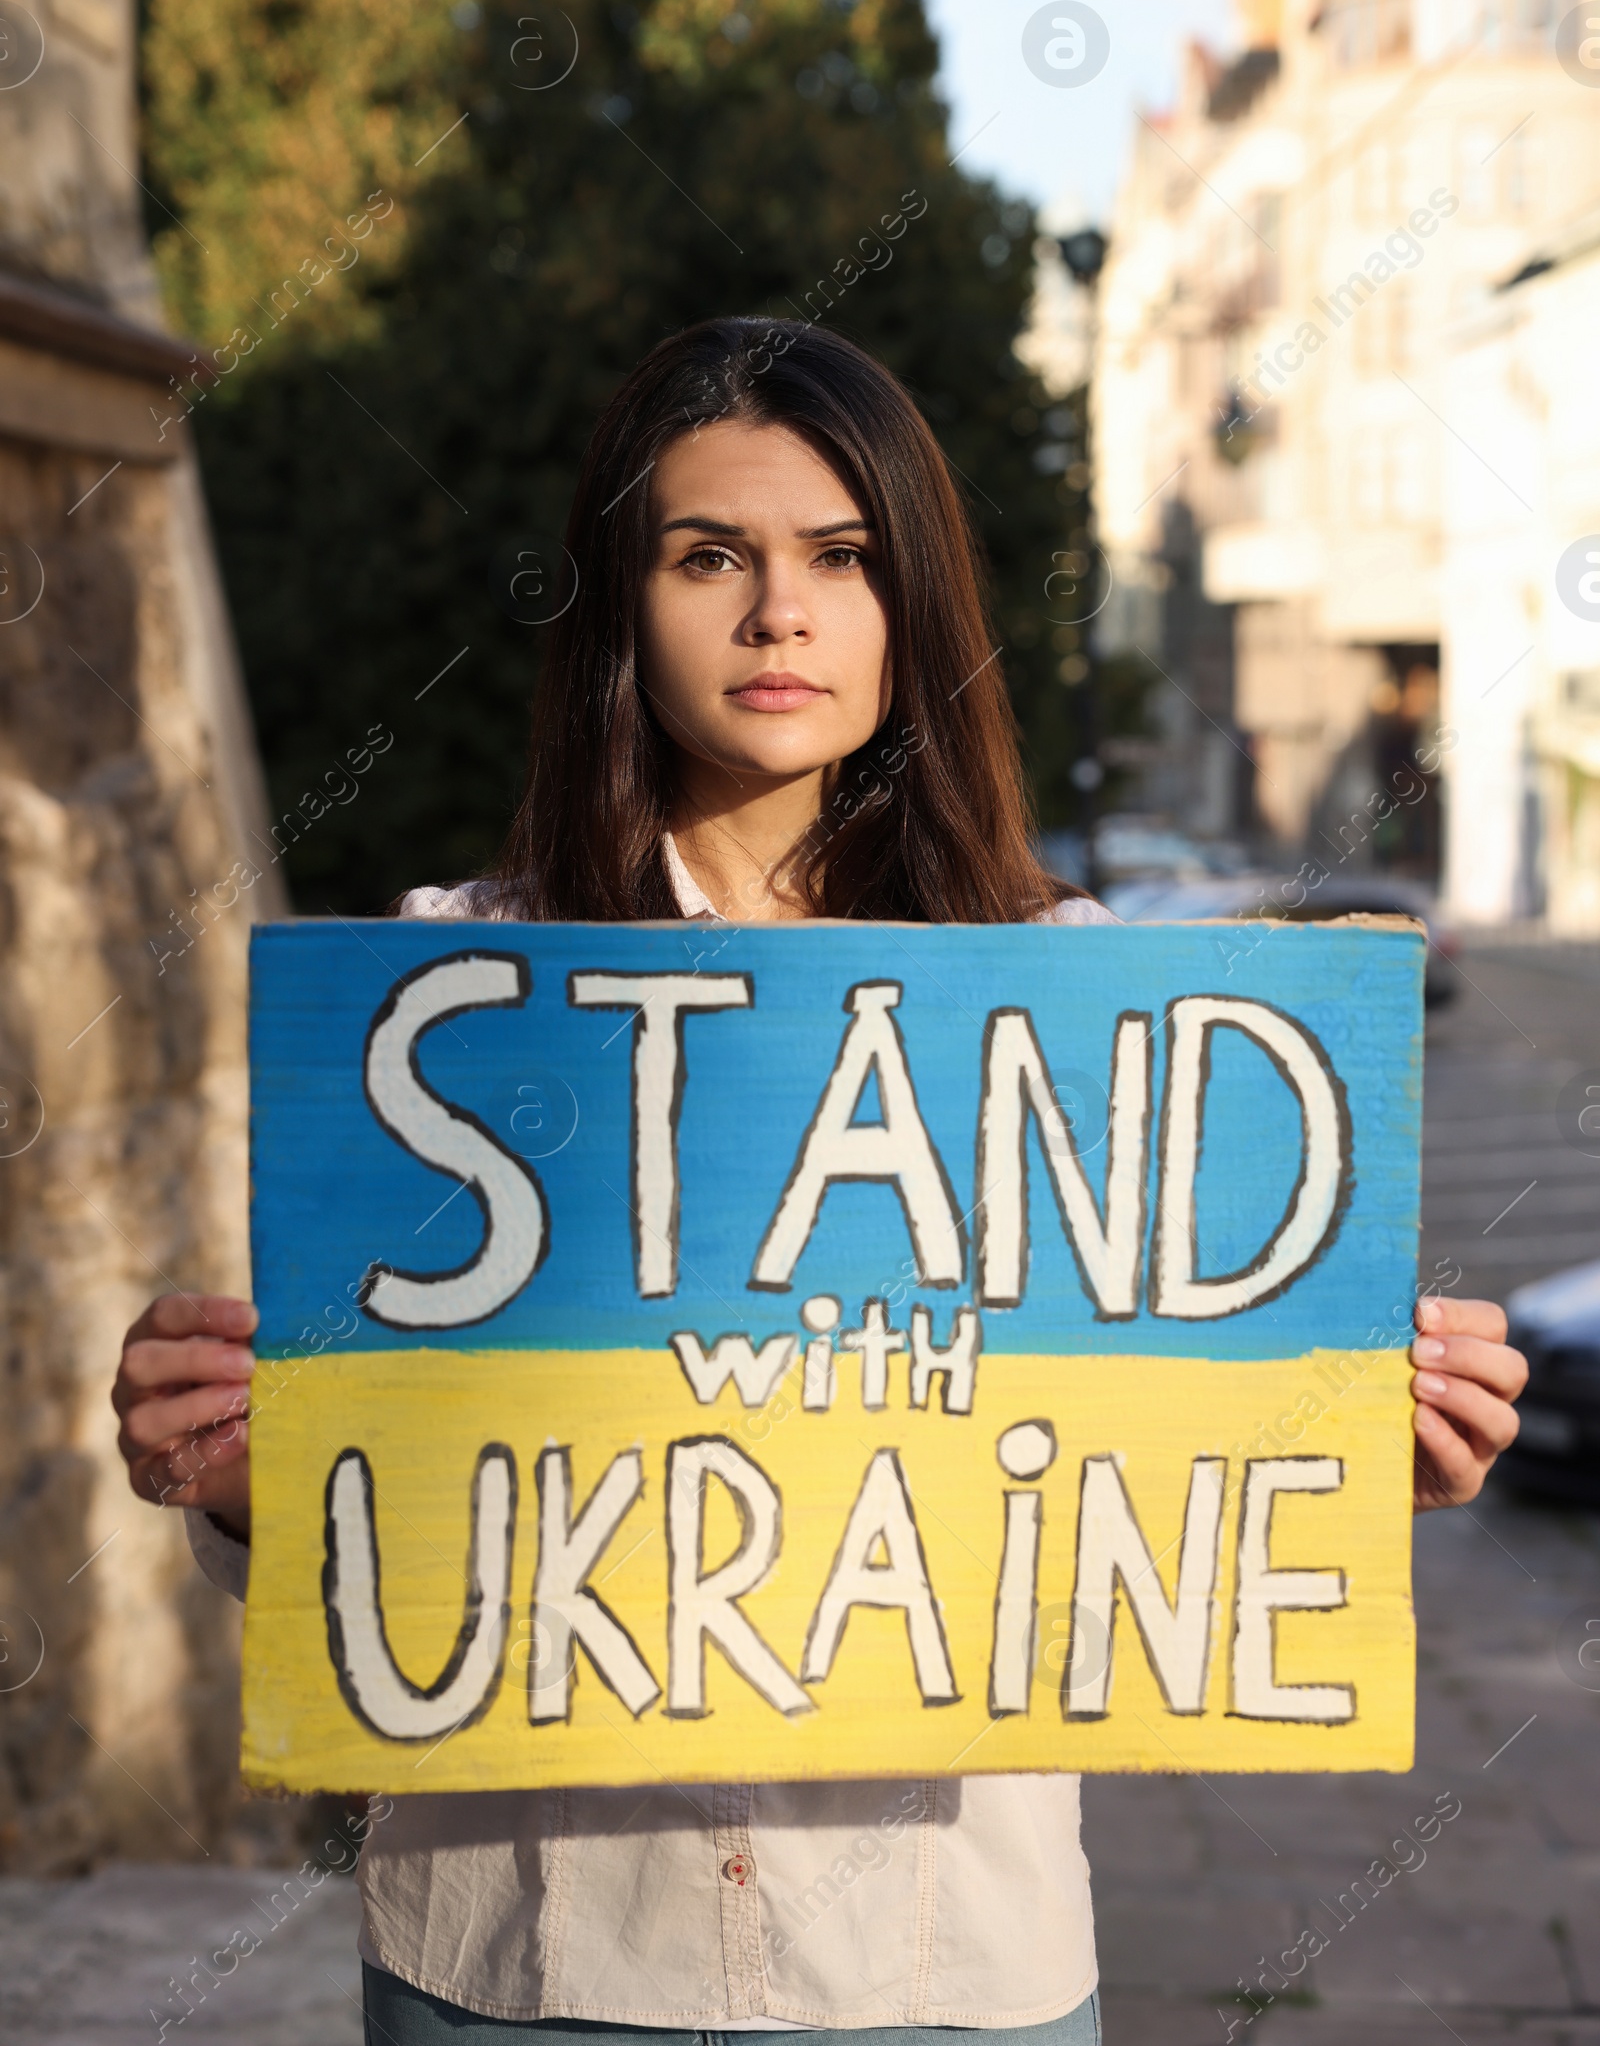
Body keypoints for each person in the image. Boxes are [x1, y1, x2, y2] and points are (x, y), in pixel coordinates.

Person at [111, 319, 1525, 2046]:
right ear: (622, 604)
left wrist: (1363, 1444)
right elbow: (379, 1517)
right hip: (522, 1960)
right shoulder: (447, 995)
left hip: (942, 1976)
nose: (779, 613)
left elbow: (1151, 1483)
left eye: (840, 560)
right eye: (711, 556)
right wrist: (246, 1470)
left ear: (907, 602)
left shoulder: (1076, 999)